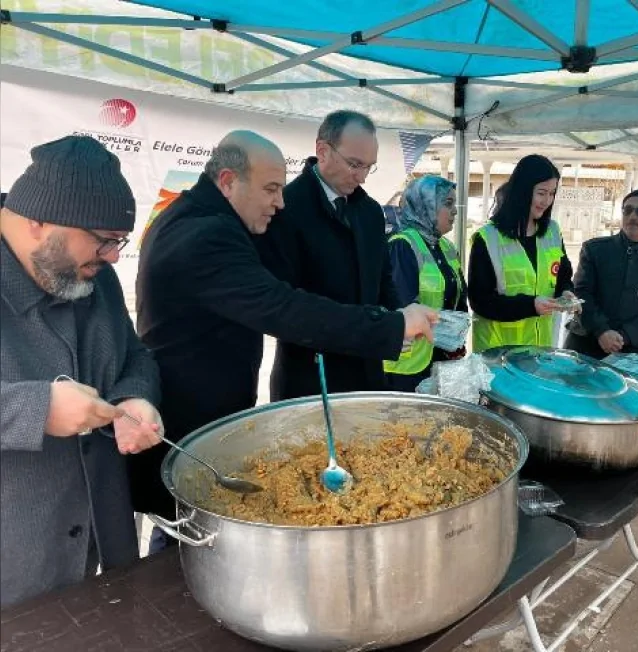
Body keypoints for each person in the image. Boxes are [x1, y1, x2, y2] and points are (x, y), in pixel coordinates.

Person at [134, 130, 437, 539]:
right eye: (271, 189)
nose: (280, 202)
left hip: (203, 414)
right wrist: (392, 325)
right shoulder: (206, 235)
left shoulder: (200, 217)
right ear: (228, 181)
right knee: (184, 536)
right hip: (185, 423)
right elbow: (284, 308)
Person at [1, 136, 163, 608]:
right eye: (103, 239)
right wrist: (37, 409)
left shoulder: (93, 275)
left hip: (94, 538)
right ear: (38, 220)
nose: (113, 257)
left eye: (119, 241)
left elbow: (135, 355)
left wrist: (135, 396)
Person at [257, 111, 437, 400]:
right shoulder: (285, 208)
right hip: (311, 379)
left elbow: (383, 281)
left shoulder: (370, 212)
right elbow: (284, 307)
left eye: (369, 167)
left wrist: (400, 317)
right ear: (323, 151)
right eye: (354, 164)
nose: (362, 177)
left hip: (368, 371)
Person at [467, 154, 576, 352]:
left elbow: (563, 276)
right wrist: (531, 306)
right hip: (498, 354)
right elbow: (480, 301)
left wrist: (566, 292)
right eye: (541, 193)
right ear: (523, 190)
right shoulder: (487, 238)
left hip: (540, 351)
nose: (547, 201)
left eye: (552, 193)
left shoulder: (552, 232)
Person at [565, 187, 638, 364]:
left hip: (632, 348)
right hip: (584, 343)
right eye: (628, 210)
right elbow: (582, 293)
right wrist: (601, 331)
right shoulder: (595, 250)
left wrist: (624, 336)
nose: (633, 216)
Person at [385, 175, 469, 391]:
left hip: (440, 359)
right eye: (448, 203)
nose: (455, 211)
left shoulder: (447, 247)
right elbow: (401, 307)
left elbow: (459, 299)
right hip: (407, 366)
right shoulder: (403, 245)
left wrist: (456, 339)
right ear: (426, 206)